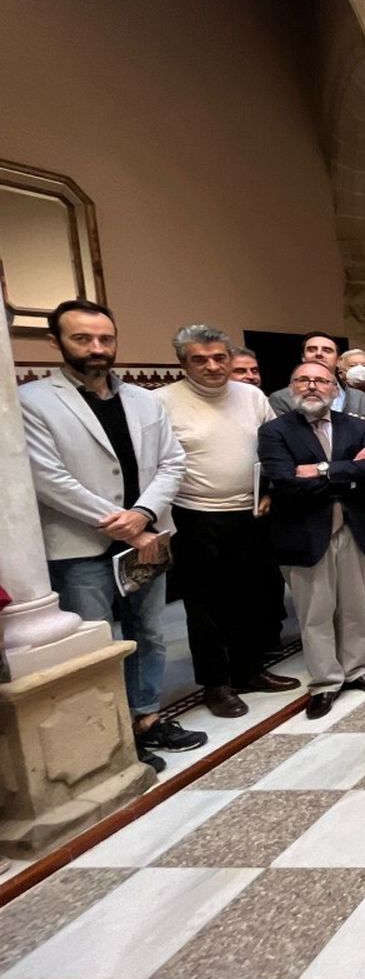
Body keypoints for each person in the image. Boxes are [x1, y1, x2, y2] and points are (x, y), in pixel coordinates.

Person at [21, 300, 204, 769]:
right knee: (95, 641)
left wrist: (143, 514)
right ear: (55, 342)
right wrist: (120, 521)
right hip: (81, 545)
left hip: (146, 537)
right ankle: (110, 737)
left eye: (105, 338)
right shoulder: (33, 401)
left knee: (149, 631)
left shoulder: (144, 400)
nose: (97, 348)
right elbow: (49, 478)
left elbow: (172, 462)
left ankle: (146, 716)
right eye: (83, 338)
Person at [157, 324, 298, 719]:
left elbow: (275, 447)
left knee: (251, 596)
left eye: (220, 357)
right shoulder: (162, 402)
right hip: (195, 516)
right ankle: (215, 684)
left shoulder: (251, 396)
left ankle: (248, 670)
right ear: (184, 363)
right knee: (205, 606)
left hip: (251, 512)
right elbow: (157, 463)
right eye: (200, 359)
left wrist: (271, 489)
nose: (212, 366)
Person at [258, 359, 365, 719]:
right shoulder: (276, 431)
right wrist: (350, 472)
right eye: (303, 380)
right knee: (315, 611)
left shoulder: (355, 425)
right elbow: (285, 481)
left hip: (353, 528)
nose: (312, 386)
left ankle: (357, 668)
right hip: (305, 532)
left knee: (354, 604)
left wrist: (321, 470)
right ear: (291, 388)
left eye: (321, 381)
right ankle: (325, 681)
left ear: (335, 389)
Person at [269, 332, 365, 435]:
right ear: (303, 357)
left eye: (327, 350)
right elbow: (284, 437)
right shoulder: (281, 399)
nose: (319, 354)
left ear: (338, 361)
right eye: (312, 350)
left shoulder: (359, 397)